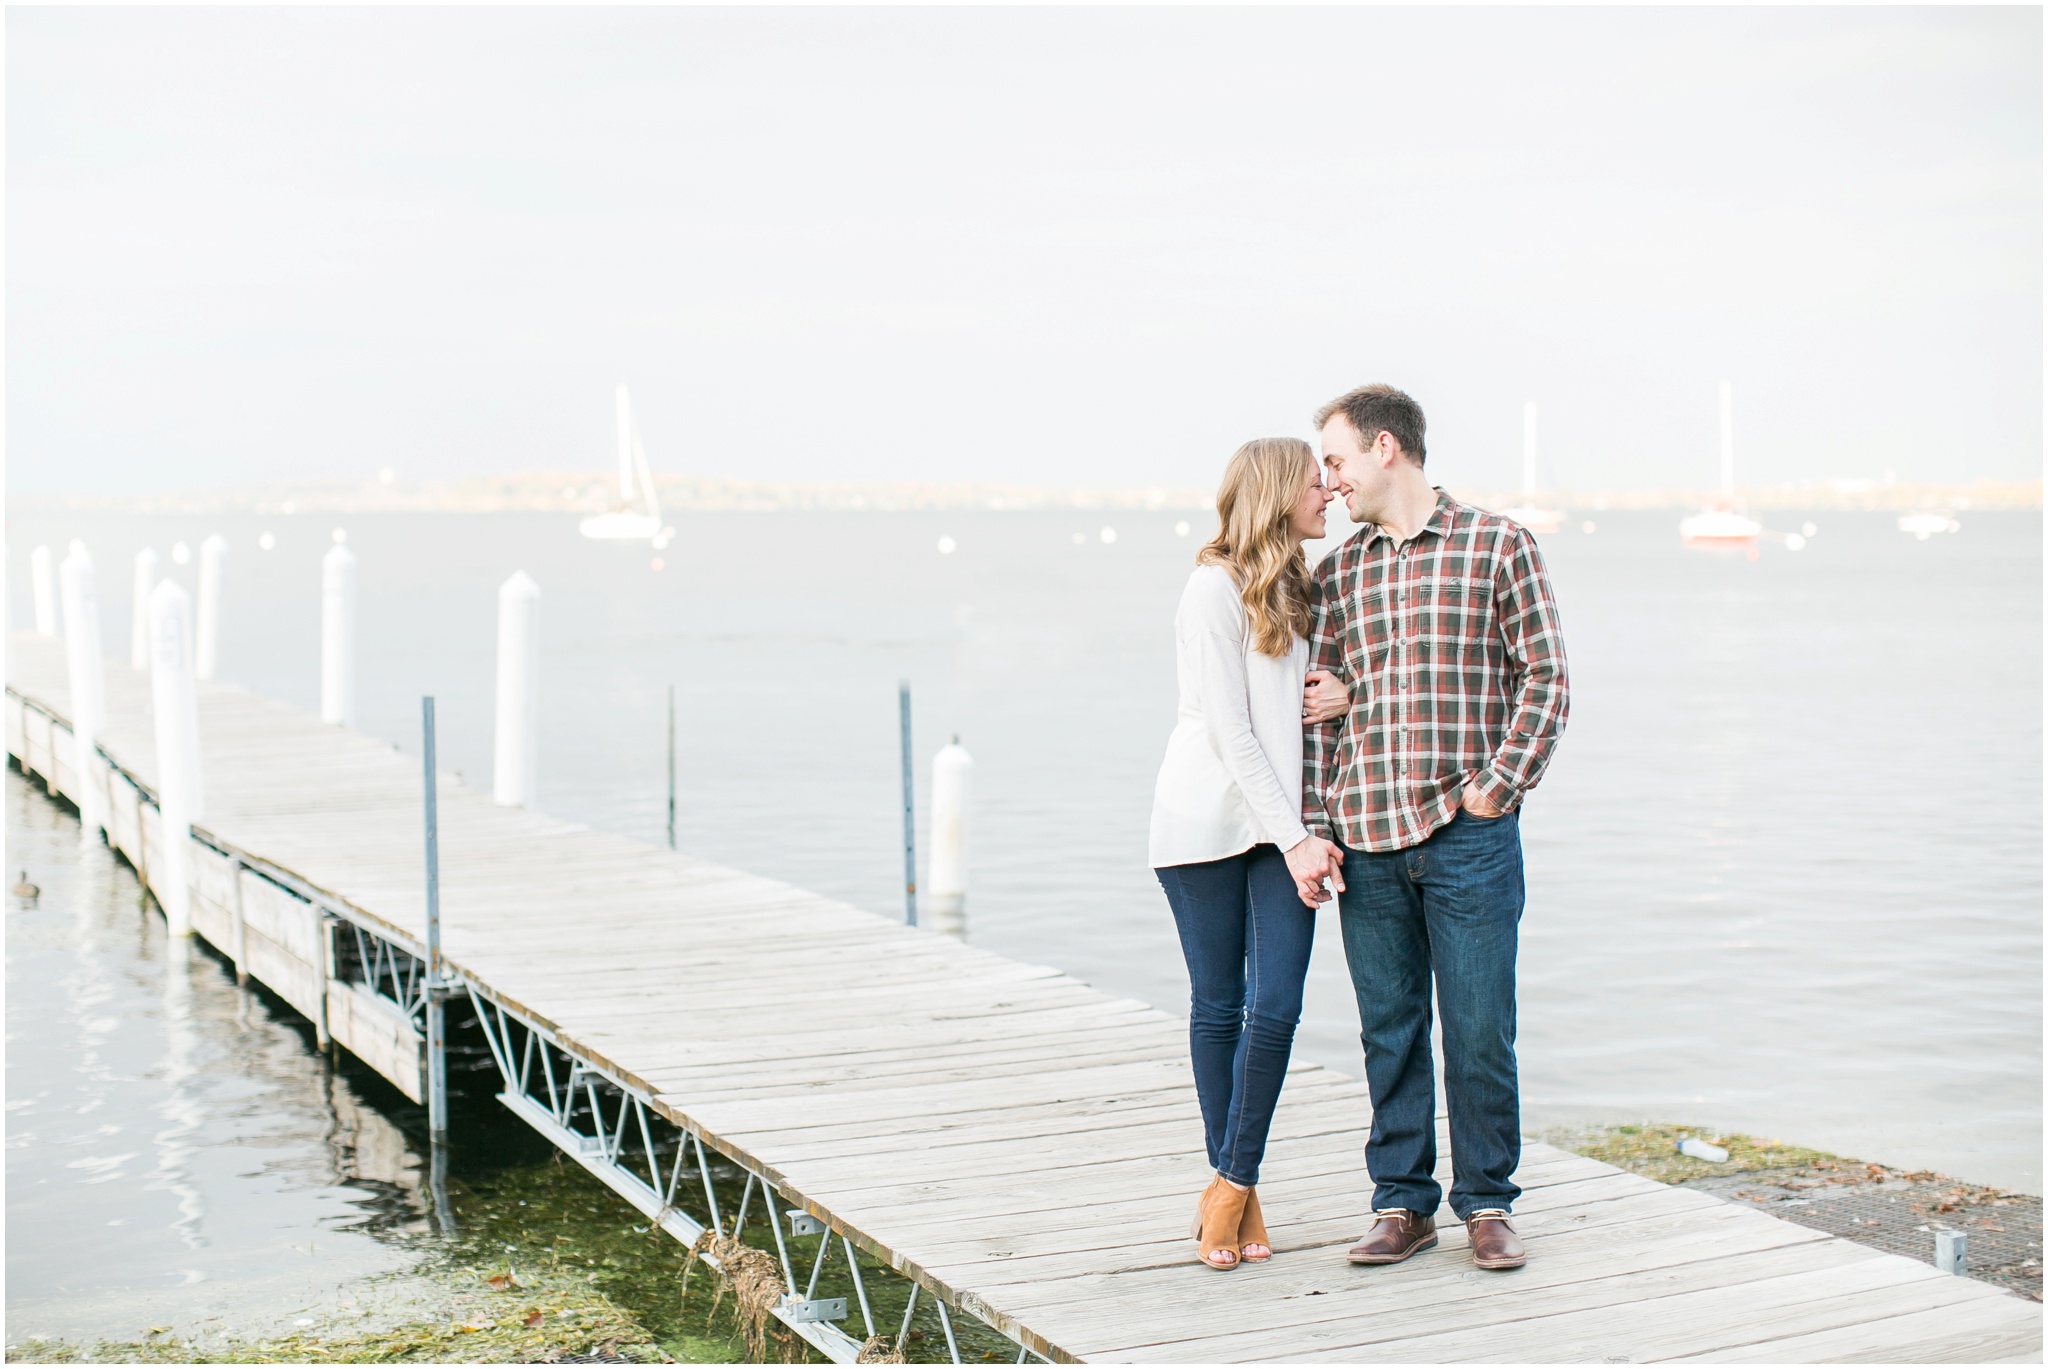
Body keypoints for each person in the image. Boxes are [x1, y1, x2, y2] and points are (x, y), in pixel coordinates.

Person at [1303, 384, 1569, 1273]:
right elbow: (1318, 713)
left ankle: (1487, 1202)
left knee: (1481, 1024)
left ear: (1386, 448)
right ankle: (1401, 1202)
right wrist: (1314, 825)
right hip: (1367, 836)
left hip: (1468, 835)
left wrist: (1496, 790)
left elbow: (1546, 680)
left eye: (1335, 459)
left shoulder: (1499, 545)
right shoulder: (1336, 575)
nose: (1328, 480)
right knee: (1390, 1028)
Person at [1149, 436, 1351, 1271]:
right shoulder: (1211, 588)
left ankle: (1230, 1181)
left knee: (1277, 1008)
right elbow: (1232, 730)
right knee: (1219, 1006)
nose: (1329, 495)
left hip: (1284, 830)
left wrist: (1345, 696)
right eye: (1315, 483)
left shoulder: (1308, 587)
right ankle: (1240, 1190)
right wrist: (1299, 836)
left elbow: (1311, 704)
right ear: (1276, 495)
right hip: (1204, 823)